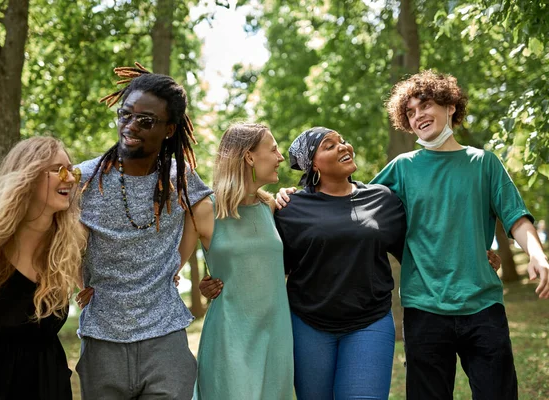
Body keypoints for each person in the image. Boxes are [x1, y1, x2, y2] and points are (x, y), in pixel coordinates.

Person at [372, 70, 549, 400]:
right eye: (409, 112)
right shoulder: (402, 168)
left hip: (482, 305)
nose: (418, 116)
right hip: (423, 307)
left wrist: (537, 255)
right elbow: (353, 204)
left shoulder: (484, 163)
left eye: (424, 105)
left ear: (450, 105)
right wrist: (298, 195)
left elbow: (516, 218)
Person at [203, 126, 407, 399]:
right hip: (309, 326)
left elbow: (415, 252)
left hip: (370, 322)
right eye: (329, 145)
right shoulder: (288, 208)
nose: (343, 147)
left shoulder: (382, 199)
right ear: (313, 164)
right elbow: (262, 260)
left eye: (343, 141)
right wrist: (215, 279)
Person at [74, 62, 212, 400]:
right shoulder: (84, 179)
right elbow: (42, 228)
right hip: (101, 339)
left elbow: (207, 219)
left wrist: (175, 266)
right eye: (125, 115)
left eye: (145, 120)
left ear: (169, 129)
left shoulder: (182, 178)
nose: (130, 126)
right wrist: (75, 277)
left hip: (165, 339)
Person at [0, 137, 87, 400]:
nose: (70, 178)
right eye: (59, 169)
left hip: (46, 382)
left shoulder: (71, 240)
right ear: (28, 176)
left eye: (72, 169)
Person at [178, 123, 294, 400]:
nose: (280, 157)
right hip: (230, 337)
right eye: (274, 149)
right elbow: (167, 272)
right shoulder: (203, 210)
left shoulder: (272, 207)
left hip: (276, 335)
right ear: (249, 157)